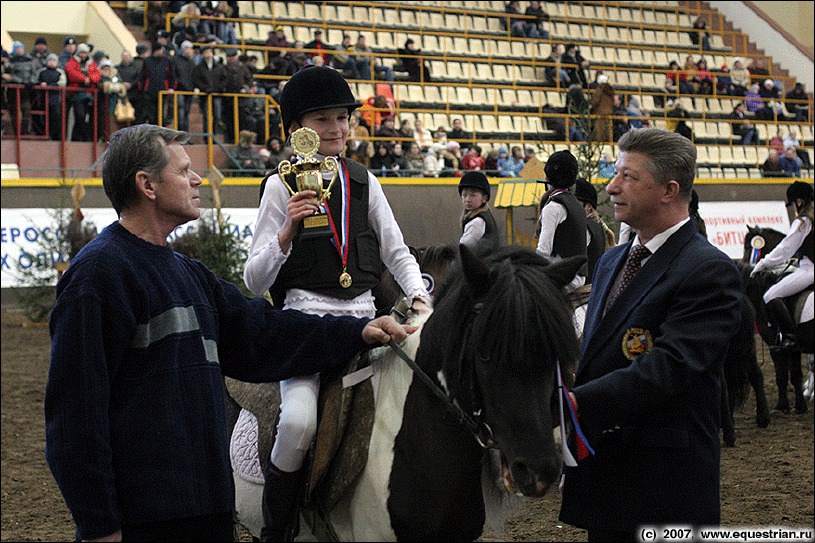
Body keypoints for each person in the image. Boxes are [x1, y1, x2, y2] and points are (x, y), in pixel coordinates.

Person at [44, 124, 413, 543]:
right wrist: (98, 526)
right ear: (147, 185)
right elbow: (75, 416)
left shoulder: (189, 275)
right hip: (144, 521)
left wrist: (359, 331)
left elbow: (266, 334)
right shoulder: (99, 275)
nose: (198, 179)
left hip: (207, 513)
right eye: (184, 171)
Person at [243, 65, 429, 541]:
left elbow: (396, 251)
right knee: (301, 421)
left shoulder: (365, 181)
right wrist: (285, 232)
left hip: (367, 319)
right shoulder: (277, 186)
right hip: (304, 325)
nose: (338, 129)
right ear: (297, 131)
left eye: (343, 118)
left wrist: (420, 296)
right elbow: (253, 278)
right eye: (324, 120)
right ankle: (277, 528)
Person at [559, 127, 743, 541]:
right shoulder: (611, 262)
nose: (611, 187)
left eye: (628, 177)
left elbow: (668, 367)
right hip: (605, 482)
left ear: (669, 190)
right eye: (615, 174)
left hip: (664, 490)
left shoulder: (707, 270)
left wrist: (574, 402)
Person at [751, 181, 813, 353]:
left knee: (771, 295)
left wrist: (765, 262)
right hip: (806, 264)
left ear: (799, 201)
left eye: (794, 203)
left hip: (810, 270)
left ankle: (791, 338)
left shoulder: (804, 221)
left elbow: (786, 248)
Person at [536, 150, 587, 293]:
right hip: (580, 275)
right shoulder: (576, 204)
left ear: (548, 177)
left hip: (562, 277)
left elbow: (543, 251)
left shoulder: (552, 208)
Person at [574, 177, 614, 284]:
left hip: (581, 294)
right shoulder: (595, 225)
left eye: (575, 202)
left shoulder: (585, 228)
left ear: (589, 207)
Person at [458, 170, 498, 249]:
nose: (468, 199)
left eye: (473, 195)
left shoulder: (477, 222)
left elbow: (463, 247)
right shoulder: (484, 215)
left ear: (484, 198)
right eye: (464, 195)